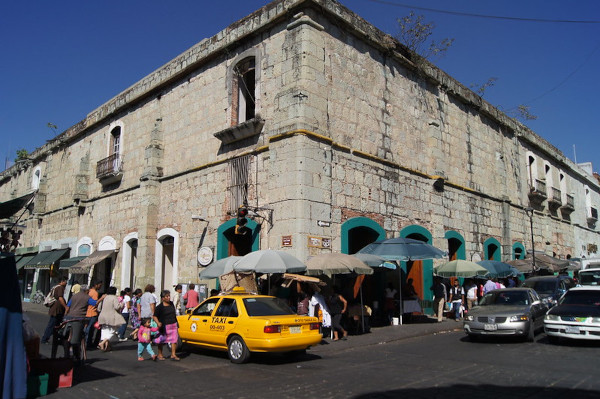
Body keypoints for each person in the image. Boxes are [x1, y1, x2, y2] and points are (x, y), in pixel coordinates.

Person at [153, 290, 180, 361]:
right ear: (163, 298)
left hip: (173, 324)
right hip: (164, 326)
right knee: (161, 340)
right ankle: (160, 354)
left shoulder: (171, 304)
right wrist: (158, 322)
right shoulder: (160, 307)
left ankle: (173, 354)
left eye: (169, 296)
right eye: (167, 296)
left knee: (174, 340)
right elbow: (155, 316)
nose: (168, 298)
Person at [41, 276, 68, 344]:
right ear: (62, 281)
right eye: (65, 281)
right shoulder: (60, 287)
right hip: (56, 309)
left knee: (57, 325)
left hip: (55, 309)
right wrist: (65, 306)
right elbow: (60, 298)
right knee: (52, 324)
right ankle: (45, 338)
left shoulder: (55, 287)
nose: (66, 283)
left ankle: (56, 338)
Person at [97, 286, 125, 352]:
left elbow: (99, 308)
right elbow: (117, 307)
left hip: (103, 316)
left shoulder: (104, 297)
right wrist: (122, 304)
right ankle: (102, 343)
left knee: (105, 331)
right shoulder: (114, 298)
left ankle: (107, 346)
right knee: (113, 330)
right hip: (111, 316)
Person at [85, 280, 106, 349]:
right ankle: (88, 343)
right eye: (100, 285)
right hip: (92, 312)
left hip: (87, 312)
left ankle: (87, 342)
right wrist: (102, 298)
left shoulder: (89, 291)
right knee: (90, 329)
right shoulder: (95, 293)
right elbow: (95, 303)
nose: (100, 287)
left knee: (88, 328)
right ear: (96, 285)